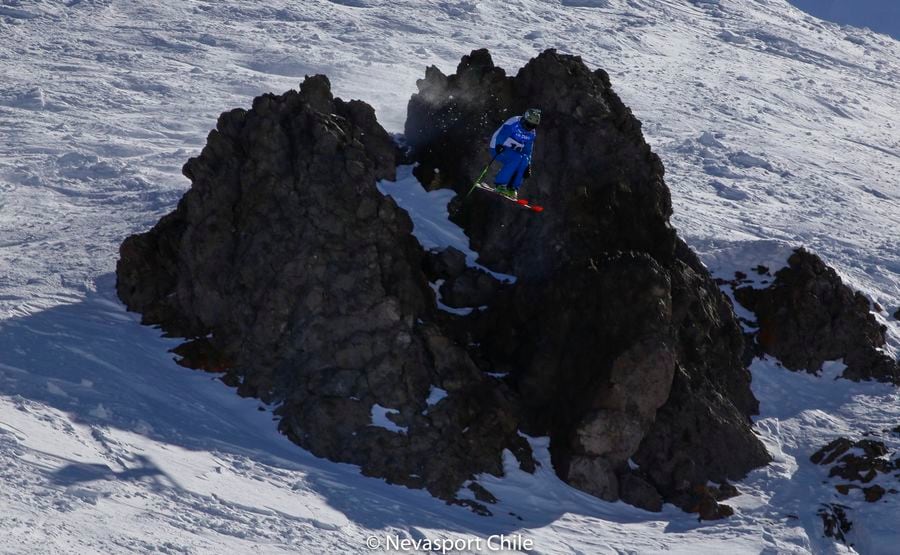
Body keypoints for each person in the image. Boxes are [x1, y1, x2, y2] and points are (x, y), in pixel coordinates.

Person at [488, 108, 540, 200]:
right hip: (498, 148)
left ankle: (512, 188)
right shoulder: (514, 122)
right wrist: (498, 145)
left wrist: (528, 165)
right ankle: (500, 185)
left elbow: (528, 150)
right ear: (524, 119)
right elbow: (501, 135)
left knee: (524, 160)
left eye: (533, 126)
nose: (529, 128)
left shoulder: (531, 133)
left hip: (512, 151)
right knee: (517, 158)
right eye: (528, 124)